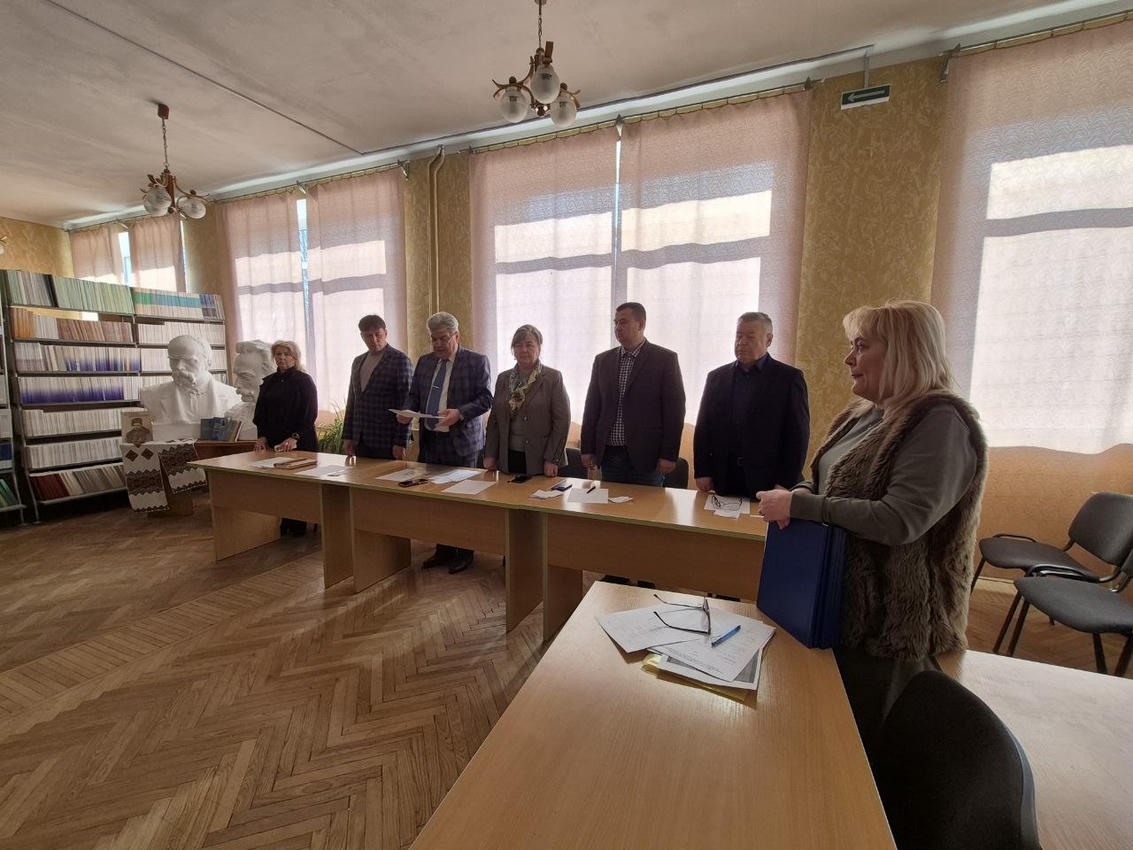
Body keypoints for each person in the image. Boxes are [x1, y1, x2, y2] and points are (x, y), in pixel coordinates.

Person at [756, 301, 988, 758]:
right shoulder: (864, 414)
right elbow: (821, 477)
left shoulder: (941, 421)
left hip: (890, 626)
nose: (849, 359)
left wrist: (800, 505)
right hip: (835, 608)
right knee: (823, 735)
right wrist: (798, 492)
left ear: (904, 351)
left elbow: (900, 520)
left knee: (868, 749)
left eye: (861, 346)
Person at [397, 312, 492, 573]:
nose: (438, 344)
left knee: (462, 501)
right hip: (431, 442)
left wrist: (459, 413)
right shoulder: (425, 362)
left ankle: (465, 553)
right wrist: (407, 411)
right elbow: (414, 395)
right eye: (434, 339)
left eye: (443, 338)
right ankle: (443, 549)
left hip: (462, 443)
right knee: (436, 501)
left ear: (456, 336)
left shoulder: (476, 361)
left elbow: (486, 399)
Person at [694, 312, 809, 498]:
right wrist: (702, 471)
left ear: (769, 340)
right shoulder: (717, 377)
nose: (742, 342)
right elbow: (703, 428)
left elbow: (797, 436)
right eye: (739, 336)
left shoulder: (788, 379)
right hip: (724, 477)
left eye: (750, 337)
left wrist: (785, 483)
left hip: (768, 480)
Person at [580, 302, 685, 487]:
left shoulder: (665, 359)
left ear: (641, 324)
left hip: (647, 458)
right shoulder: (603, 360)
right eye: (615, 323)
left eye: (623, 322)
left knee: (645, 505)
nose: (617, 328)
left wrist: (669, 455)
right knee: (610, 504)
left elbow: (674, 411)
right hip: (610, 456)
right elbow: (592, 408)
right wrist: (587, 449)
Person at [484, 324, 570, 477]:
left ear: (539, 348)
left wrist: (552, 459)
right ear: (513, 350)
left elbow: (562, 421)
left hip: (541, 458)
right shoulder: (503, 378)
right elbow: (494, 420)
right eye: (518, 345)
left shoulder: (552, 378)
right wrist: (490, 454)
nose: (524, 349)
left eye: (529, 345)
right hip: (507, 457)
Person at [253, 340, 319, 536]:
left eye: (286, 354)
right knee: (279, 485)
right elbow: (260, 413)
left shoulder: (304, 381)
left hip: (300, 441)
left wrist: (294, 437)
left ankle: (298, 524)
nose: (282, 357)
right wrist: (261, 436)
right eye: (278, 354)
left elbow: (310, 414)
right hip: (274, 442)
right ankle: (283, 520)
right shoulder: (268, 381)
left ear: (295, 357)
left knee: (297, 485)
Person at [342, 314, 413, 461]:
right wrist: (348, 436)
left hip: (387, 439)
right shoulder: (358, 361)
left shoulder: (400, 360)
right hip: (360, 437)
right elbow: (352, 400)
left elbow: (407, 404)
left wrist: (401, 441)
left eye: (377, 335)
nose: (374, 340)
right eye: (368, 336)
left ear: (385, 333)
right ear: (362, 337)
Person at [139, 335, 240, 431]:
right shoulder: (150, 394)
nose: (179, 366)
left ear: (208, 361)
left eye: (188, 360)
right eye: (173, 360)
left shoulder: (234, 396)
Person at [225, 339, 274, 439]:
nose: (236, 384)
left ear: (270, 376)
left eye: (245, 376)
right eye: (237, 376)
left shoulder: (291, 416)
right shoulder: (233, 415)